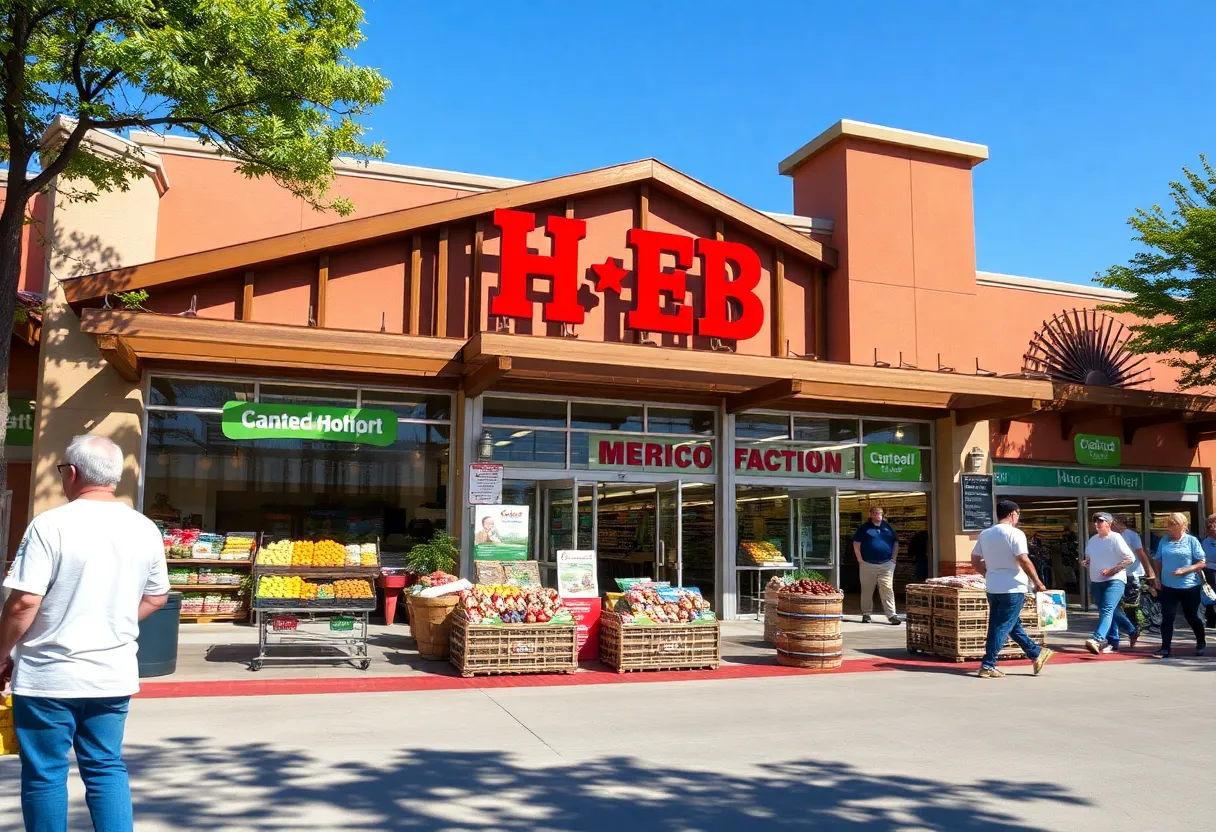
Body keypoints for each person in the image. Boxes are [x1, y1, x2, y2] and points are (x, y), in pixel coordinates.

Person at [0, 435, 169, 832]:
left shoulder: (50, 525)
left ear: (71, 473)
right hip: (111, 673)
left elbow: (23, 604)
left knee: (45, 775)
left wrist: (2, 654)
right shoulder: (145, 528)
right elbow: (157, 597)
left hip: (49, 677)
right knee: (106, 767)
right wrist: (112, 622)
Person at [970, 499, 1053, 678]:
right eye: (1018, 514)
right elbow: (1023, 559)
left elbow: (975, 560)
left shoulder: (985, 534)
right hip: (1013, 586)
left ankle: (1035, 652)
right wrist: (1037, 581)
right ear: (1013, 513)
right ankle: (988, 664)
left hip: (993, 587)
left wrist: (988, 573)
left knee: (1010, 624)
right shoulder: (1016, 534)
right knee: (1001, 626)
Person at [1151, 512, 1207, 658]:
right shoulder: (1164, 540)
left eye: (1174, 525)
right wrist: (1157, 577)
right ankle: (1165, 648)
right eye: (1170, 525)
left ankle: (1201, 641)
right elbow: (1157, 559)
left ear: (1183, 526)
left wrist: (1185, 570)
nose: (1171, 528)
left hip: (1189, 586)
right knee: (1167, 616)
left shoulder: (1191, 541)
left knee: (1192, 616)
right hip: (1168, 586)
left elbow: (1202, 562)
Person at [1083, 512, 1137, 655]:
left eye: (1100, 521)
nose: (1097, 524)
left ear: (1109, 523)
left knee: (1107, 609)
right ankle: (1132, 631)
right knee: (1110, 611)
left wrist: (1112, 570)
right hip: (1097, 580)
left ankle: (1098, 638)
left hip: (1115, 580)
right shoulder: (1093, 540)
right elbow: (1089, 557)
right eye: (1095, 521)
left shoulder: (1115, 538)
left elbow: (1130, 558)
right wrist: (1087, 562)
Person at [852, 506, 900, 625]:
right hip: (867, 564)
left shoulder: (888, 527)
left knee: (887, 588)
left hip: (886, 564)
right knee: (867, 589)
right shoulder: (864, 528)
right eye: (874, 513)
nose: (877, 515)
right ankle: (866, 614)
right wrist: (860, 559)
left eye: (879, 513)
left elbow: (895, 543)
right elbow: (856, 544)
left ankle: (892, 615)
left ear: (883, 514)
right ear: (871, 514)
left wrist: (893, 559)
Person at [1112, 514, 1155, 647]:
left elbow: (1141, 554)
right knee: (1113, 605)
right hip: (1115, 574)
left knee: (1129, 606)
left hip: (1132, 574)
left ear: (1117, 522)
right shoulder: (1110, 536)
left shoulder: (1131, 535)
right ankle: (1119, 634)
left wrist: (1150, 573)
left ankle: (1133, 628)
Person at [1200, 514, 1216, 629]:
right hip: (1209, 572)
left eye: (1212, 525)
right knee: (1209, 596)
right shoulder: (1206, 542)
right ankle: (1211, 620)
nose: (1210, 528)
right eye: (1209, 526)